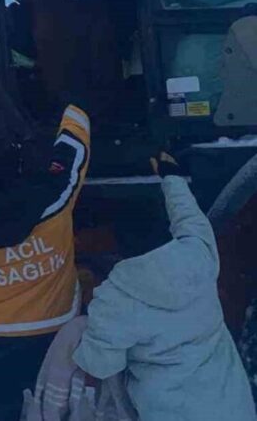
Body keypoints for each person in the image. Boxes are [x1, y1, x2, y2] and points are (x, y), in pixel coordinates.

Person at [72, 152, 257, 421]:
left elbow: (98, 364)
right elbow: (189, 218)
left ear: (119, 248)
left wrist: (75, 330)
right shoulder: (198, 255)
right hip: (229, 407)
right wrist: (171, 177)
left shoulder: (114, 298)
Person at [0, 105, 91, 421]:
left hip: (2, 338)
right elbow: (75, 151)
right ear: (19, 167)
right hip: (59, 329)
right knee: (58, 404)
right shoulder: (56, 197)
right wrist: (72, 110)